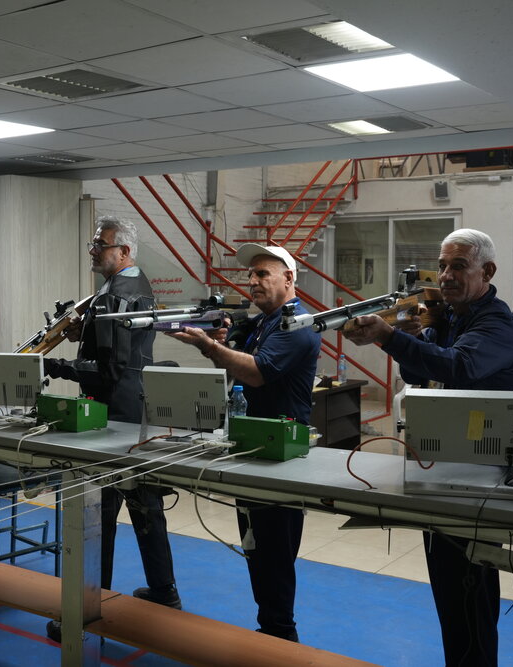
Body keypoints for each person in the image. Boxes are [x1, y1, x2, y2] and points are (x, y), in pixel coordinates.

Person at [344, 229, 513, 666]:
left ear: (487, 271)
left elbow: (459, 366)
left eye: (458, 266)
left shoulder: (498, 324)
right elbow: (417, 369)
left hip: (478, 476)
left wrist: (390, 336)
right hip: (444, 467)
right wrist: (411, 332)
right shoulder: (453, 318)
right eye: (442, 266)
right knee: (449, 592)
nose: (445, 276)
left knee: (469, 593)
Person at [166, 242, 320, 642]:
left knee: (275, 555)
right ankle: (270, 629)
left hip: (281, 454)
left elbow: (256, 373)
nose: (253, 281)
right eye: (251, 275)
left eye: (263, 274)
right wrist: (222, 338)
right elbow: (237, 362)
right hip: (254, 447)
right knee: (256, 548)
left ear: (289, 278)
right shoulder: (265, 322)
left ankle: (281, 637)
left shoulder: (297, 325)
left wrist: (209, 345)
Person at [42, 216, 179, 641]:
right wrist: (83, 333)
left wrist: (56, 366)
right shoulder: (132, 285)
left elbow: (109, 371)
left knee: (98, 514)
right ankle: (164, 591)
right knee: (144, 505)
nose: (93, 251)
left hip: (115, 417)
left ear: (124, 251)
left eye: (100, 245)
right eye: (93, 244)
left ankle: (88, 605)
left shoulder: (118, 294)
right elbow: (111, 351)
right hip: (134, 413)